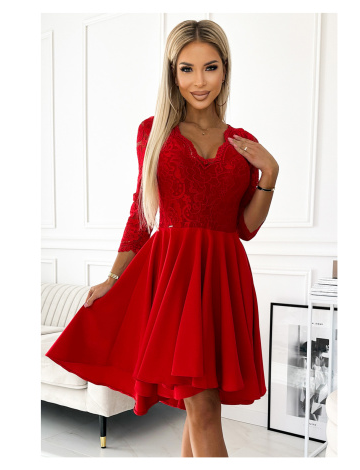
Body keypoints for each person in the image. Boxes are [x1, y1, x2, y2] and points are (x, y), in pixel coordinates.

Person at [45, 19, 279, 458]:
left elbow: (245, 228)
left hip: (222, 280)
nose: (199, 81)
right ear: (173, 73)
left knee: (201, 409)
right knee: (202, 409)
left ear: (225, 69)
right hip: (173, 282)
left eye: (210, 67)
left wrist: (270, 173)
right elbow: (141, 212)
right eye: (186, 69)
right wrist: (114, 278)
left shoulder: (244, 143)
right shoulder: (154, 132)